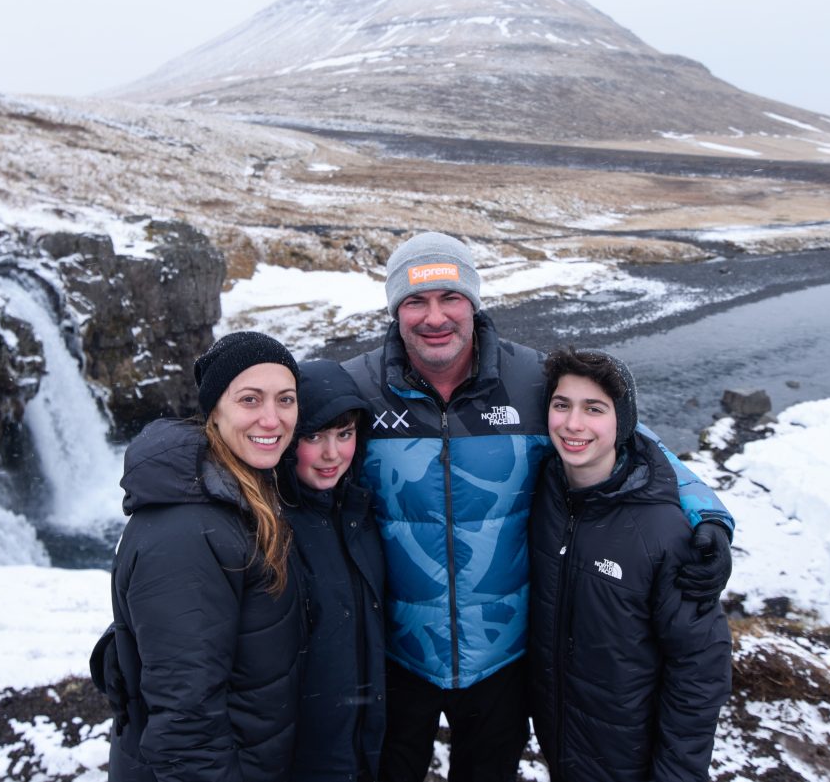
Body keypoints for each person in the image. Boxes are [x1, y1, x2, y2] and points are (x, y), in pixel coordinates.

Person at [340, 231, 735, 782]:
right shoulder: (357, 388)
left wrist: (706, 515)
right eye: (415, 301)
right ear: (394, 310)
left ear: (474, 303)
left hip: (504, 657)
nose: (435, 317)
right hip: (394, 654)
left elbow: (634, 441)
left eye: (451, 297)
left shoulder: (531, 380)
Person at [99, 331, 305, 782]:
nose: (272, 419)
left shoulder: (240, 490)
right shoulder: (188, 531)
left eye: (286, 400)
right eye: (250, 399)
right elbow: (185, 725)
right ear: (214, 409)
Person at [528, 348, 732, 782]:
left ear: (623, 422)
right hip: (560, 739)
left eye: (594, 409)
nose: (573, 424)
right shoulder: (542, 495)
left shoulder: (663, 532)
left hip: (632, 757)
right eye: (562, 405)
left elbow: (700, 668)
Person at [278, 360, 388, 782]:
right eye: (313, 436)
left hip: (362, 742)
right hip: (300, 756)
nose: (332, 454)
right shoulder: (266, 527)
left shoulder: (358, 511)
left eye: (345, 434)